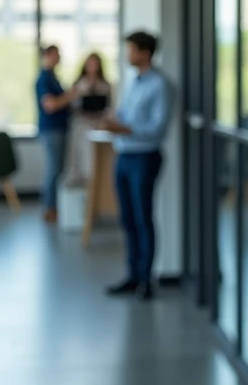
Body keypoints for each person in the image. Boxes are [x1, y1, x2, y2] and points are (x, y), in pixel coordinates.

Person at [100, 31, 174, 301]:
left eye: (131, 50)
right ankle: (132, 275)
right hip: (124, 156)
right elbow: (126, 115)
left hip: (144, 157)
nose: (128, 55)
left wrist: (121, 127)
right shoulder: (134, 82)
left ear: (145, 52)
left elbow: (157, 128)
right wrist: (113, 119)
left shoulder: (161, 85)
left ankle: (146, 279)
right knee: (128, 219)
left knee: (143, 218)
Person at [36, 45, 79, 224]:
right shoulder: (44, 79)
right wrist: (71, 95)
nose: (58, 58)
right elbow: (50, 105)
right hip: (51, 130)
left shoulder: (54, 78)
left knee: (58, 169)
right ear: (47, 56)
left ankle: (55, 206)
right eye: (55, 55)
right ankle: (50, 207)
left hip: (60, 129)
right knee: (54, 170)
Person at [64, 52, 113, 187]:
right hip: (82, 124)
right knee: (81, 156)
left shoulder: (105, 85)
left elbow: (109, 107)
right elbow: (72, 105)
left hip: (99, 124)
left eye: (95, 64)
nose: (92, 67)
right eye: (90, 64)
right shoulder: (79, 84)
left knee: (96, 157)